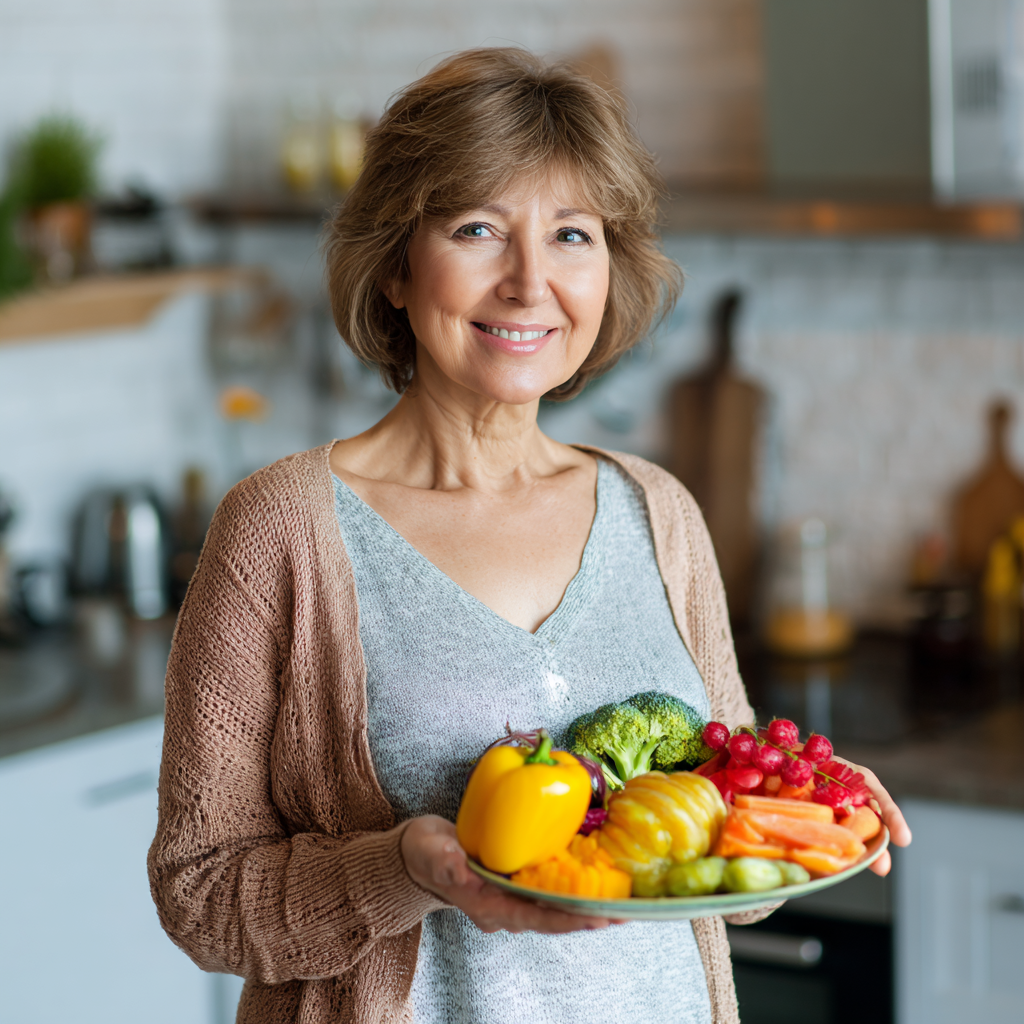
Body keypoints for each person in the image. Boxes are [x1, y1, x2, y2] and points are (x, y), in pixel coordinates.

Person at [149, 47, 911, 1024]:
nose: (528, 281)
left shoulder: (657, 513)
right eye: (477, 229)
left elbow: (729, 864)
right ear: (393, 266)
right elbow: (202, 896)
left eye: (571, 235)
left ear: (609, 267)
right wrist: (404, 870)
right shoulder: (282, 531)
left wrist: (810, 803)